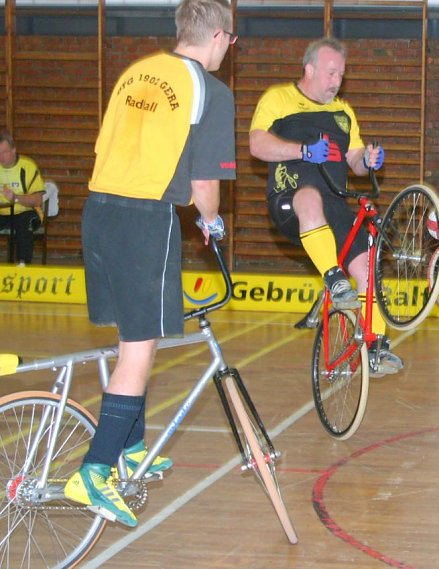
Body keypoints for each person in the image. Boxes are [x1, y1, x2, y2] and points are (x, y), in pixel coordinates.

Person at [63, 0, 237, 527]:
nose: (230, 49)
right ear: (218, 37)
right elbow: (204, 189)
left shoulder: (135, 73)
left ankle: (130, 448)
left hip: (97, 211)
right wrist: (213, 221)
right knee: (140, 351)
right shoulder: (211, 89)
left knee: (132, 339)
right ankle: (93, 471)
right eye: (231, 40)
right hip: (143, 222)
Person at [248, 37, 399, 377]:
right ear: (310, 68)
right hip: (290, 198)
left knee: (366, 264)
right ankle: (333, 279)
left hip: (334, 203)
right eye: (331, 73)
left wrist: (369, 159)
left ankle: (376, 347)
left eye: (341, 76)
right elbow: (256, 144)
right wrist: (302, 151)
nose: (336, 82)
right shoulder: (278, 99)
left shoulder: (344, 112)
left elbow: (355, 161)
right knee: (309, 196)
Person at [0, 131, 46, 266]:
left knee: (25, 222)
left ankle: (23, 264)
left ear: (14, 150)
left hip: (25, 211)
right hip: (2, 214)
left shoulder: (28, 167)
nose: (1, 157)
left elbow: (38, 200)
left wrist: (15, 198)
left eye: (4, 152)